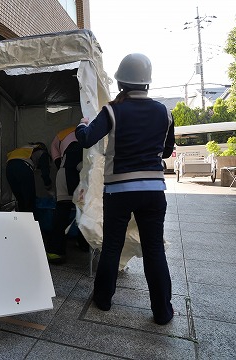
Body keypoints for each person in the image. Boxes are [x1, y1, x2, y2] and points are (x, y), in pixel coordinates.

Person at [75, 53, 175, 325]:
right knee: (155, 250)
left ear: (121, 82)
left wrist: (81, 124)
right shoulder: (164, 112)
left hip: (119, 191)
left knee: (112, 246)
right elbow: (166, 151)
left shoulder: (111, 110)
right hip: (153, 191)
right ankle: (163, 313)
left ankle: (104, 300)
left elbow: (85, 139)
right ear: (147, 83)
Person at [45, 127, 86, 264]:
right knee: (84, 211)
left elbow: (57, 159)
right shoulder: (88, 132)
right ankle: (83, 244)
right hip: (76, 172)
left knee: (62, 211)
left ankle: (54, 250)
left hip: (64, 173)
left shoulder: (60, 136)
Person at [6, 142, 52, 213]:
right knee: (30, 202)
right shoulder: (42, 152)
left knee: (21, 200)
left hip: (9, 168)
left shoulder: (24, 149)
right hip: (23, 167)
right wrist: (49, 187)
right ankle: (30, 222)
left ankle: (22, 221)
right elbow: (45, 171)